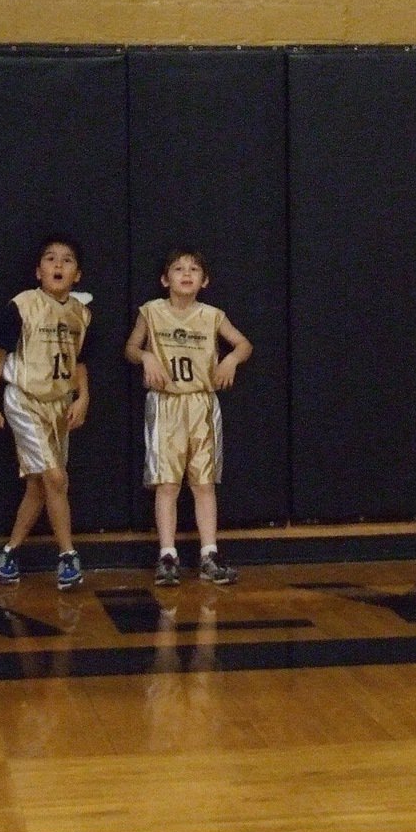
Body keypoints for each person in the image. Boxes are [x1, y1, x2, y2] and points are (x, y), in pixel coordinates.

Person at [124, 248, 252, 587]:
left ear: (204, 280)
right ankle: (168, 554)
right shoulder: (151, 312)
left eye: (194, 269)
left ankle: (209, 553)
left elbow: (243, 344)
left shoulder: (212, 315)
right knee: (166, 483)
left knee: (203, 482)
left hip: (201, 403)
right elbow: (130, 348)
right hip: (166, 404)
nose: (186, 273)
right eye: (178, 268)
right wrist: (146, 356)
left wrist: (231, 360)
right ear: (165, 279)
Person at [0, 235, 91, 591]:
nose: (58, 265)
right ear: (38, 271)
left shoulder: (81, 313)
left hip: (59, 404)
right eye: (50, 259)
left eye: (67, 260)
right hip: (24, 399)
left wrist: (82, 397)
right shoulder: (23, 305)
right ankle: (68, 556)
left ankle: (9, 552)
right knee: (57, 478)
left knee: (39, 486)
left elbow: (80, 362)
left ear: (77, 274)